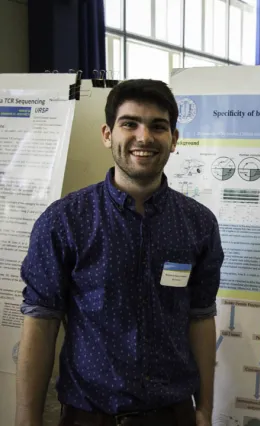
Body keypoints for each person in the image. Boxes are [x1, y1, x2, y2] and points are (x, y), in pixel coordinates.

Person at [15, 79, 224, 426]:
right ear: (107, 134)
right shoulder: (64, 221)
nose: (144, 137)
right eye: (130, 123)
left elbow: (201, 318)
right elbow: (40, 321)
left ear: (174, 139)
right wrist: (27, 418)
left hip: (173, 416)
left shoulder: (199, 224)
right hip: (89, 416)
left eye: (158, 126)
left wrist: (204, 409)